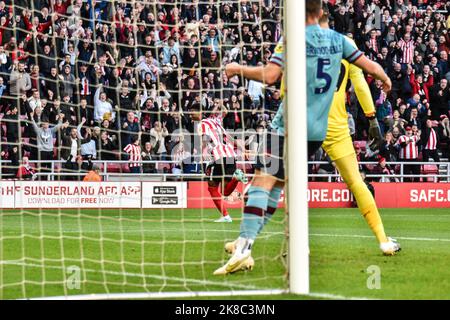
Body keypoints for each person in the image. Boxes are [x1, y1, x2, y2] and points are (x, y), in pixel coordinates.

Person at [214, 0, 393, 276]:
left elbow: (271, 75)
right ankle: (247, 243)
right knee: (275, 188)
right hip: (316, 134)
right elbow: (371, 68)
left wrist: (238, 68)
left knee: (262, 181)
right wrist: (385, 79)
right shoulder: (339, 41)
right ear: (321, 12)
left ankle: (244, 249)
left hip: (288, 126)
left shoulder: (293, 38)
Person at [319, 9, 400, 255]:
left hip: (306, 121)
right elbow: (361, 84)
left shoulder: (301, 42)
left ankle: (254, 245)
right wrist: (372, 119)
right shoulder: (346, 43)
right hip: (335, 124)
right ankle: (383, 240)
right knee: (355, 181)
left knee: (284, 180)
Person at [189, 103, 247, 223]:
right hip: (231, 156)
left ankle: (226, 216)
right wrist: (242, 148)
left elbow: (205, 138)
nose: (190, 114)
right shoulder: (215, 121)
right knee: (225, 191)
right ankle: (236, 178)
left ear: (199, 112)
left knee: (212, 187)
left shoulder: (202, 124)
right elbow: (229, 135)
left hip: (218, 157)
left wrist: (203, 150)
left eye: (192, 111)